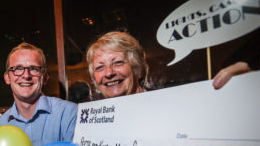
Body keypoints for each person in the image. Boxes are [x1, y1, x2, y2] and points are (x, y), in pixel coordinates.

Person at [86, 31, 251, 99]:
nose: (108, 73)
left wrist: (238, 93)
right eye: (100, 67)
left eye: (118, 62)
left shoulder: (172, 104)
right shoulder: (94, 123)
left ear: (137, 69)